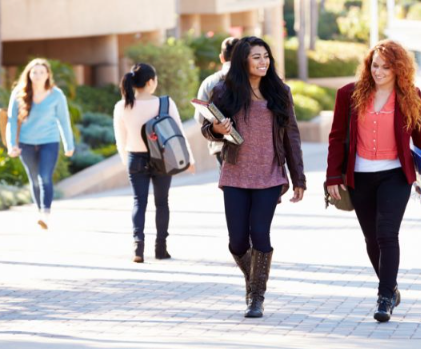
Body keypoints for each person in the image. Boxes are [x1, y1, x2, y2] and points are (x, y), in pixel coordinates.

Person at [326, 40, 421, 323]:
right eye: (375, 65)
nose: (379, 71)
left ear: (399, 68)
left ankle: (384, 297)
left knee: (387, 233)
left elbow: (420, 134)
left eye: (386, 67)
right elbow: (337, 137)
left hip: (395, 174)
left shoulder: (411, 95)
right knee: (371, 238)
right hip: (359, 175)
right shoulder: (348, 95)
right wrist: (332, 176)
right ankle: (392, 285)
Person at [201, 36, 306, 318]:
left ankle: (256, 296)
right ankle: (255, 278)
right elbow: (207, 128)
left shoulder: (280, 91)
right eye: (256, 57)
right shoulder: (226, 92)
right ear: (243, 61)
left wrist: (299, 179)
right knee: (237, 241)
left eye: (266, 56)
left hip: (269, 176)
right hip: (235, 174)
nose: (263, 61)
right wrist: (218, 131)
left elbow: (291, 136)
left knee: (260, 233)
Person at [113, 63, 195, 262]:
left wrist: (127, 161)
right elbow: (179, 135)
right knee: (162, 203)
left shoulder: (122, 106)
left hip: (135, 157)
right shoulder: (165, 104)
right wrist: (189, 160)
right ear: (151, 82)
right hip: (163, 159)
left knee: (138, 202)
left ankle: (138, 248)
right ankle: (160, 249)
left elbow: (120, 140)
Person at [6, 58, 75, 230]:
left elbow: (64, 121)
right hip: (26, 143)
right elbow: (11, 121)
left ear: (48, 75)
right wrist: (10, 144)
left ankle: (45, 214)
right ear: (28, 74)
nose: (37, 75)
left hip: (49, 142)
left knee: (44, 177)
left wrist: (69, 144)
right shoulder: (18, 93)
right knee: (34, 179)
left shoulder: (56, 95)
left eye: (41, 72)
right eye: (34, 72)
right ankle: (39, 212)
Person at [194, 37, 239, 168]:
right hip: (250, 147)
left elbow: (200, 118)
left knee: (228, 186)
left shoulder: (209, 82)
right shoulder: (253, 80)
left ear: (221, 57)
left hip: (221, 147)